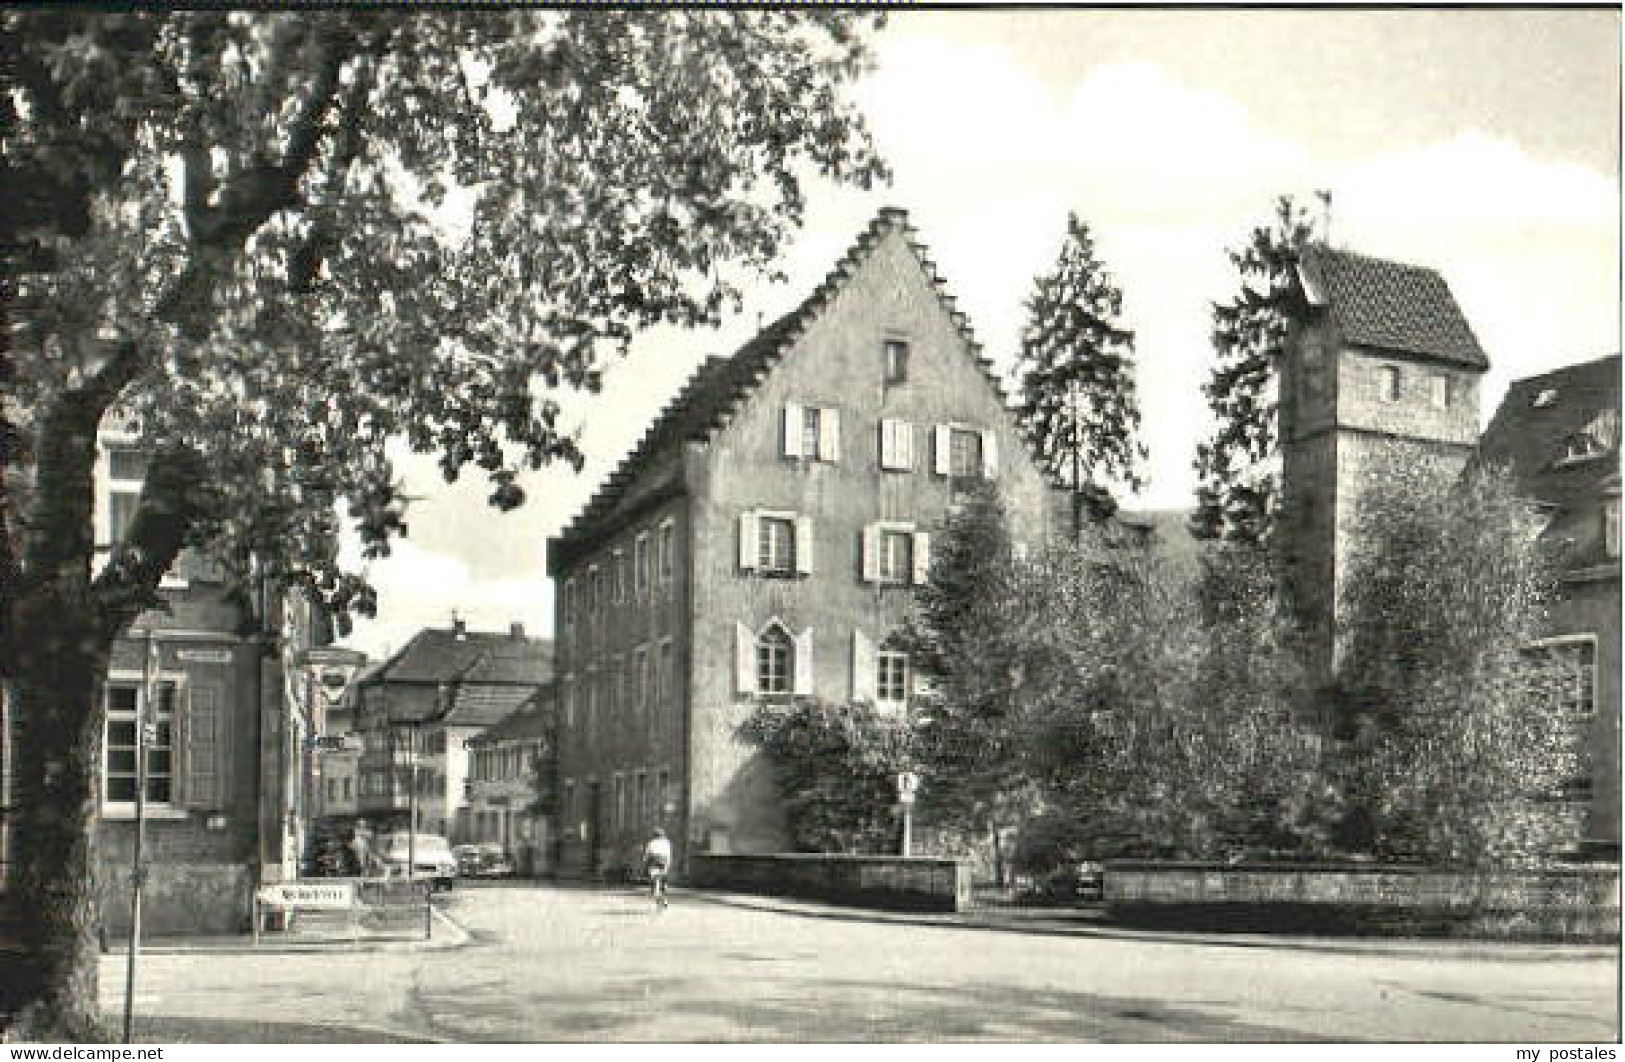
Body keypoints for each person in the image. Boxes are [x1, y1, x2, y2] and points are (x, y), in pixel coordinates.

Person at [642, 827, 672, 908]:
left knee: (654, 881)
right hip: (664, 861)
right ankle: (664, 899)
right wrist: (668, 864)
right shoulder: (667, 843)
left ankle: (657, 897)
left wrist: (645, 863)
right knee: (663, 881)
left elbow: (647, 855)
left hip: (654, 861)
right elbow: (669, 855)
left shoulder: (651, 843)